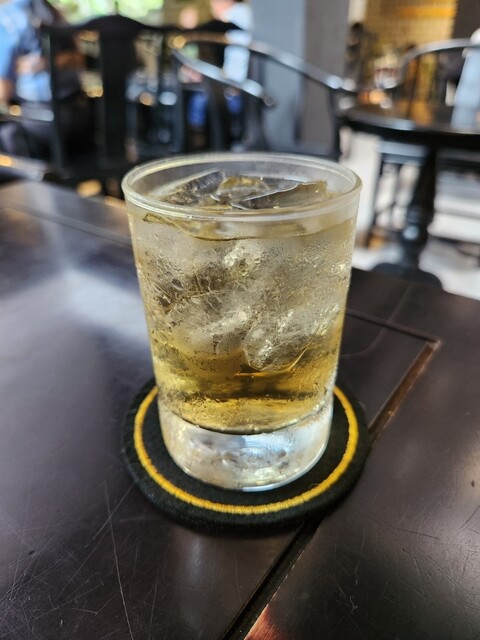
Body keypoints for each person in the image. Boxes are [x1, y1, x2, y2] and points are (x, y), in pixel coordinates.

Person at [0, 0, 90, 160]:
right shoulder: (54, 12)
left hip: (42, 121)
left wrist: (42, 64)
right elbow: (79, 59)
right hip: (80, 113)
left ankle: (32, 175)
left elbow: (3, 92)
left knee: (7, 130)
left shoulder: (7, 18)